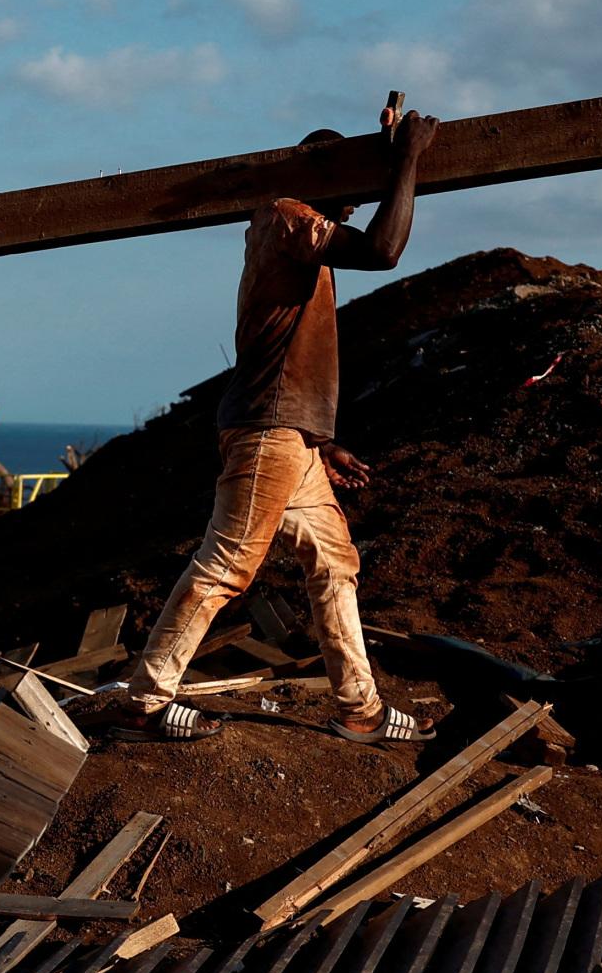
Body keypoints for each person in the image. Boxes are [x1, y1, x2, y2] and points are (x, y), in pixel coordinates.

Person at [87, 95, 440, 744]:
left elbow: (293, 349)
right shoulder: (284, 215)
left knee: (335, 562)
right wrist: (408, 160)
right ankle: (143, 700)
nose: (357, 204)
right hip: (266, 431)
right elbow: (386, 251)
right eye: (350, 187)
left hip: (291, 439)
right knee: (227, 567)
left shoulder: (304, 237)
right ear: (318, 179)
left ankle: (359, 706)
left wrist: (322, 443)